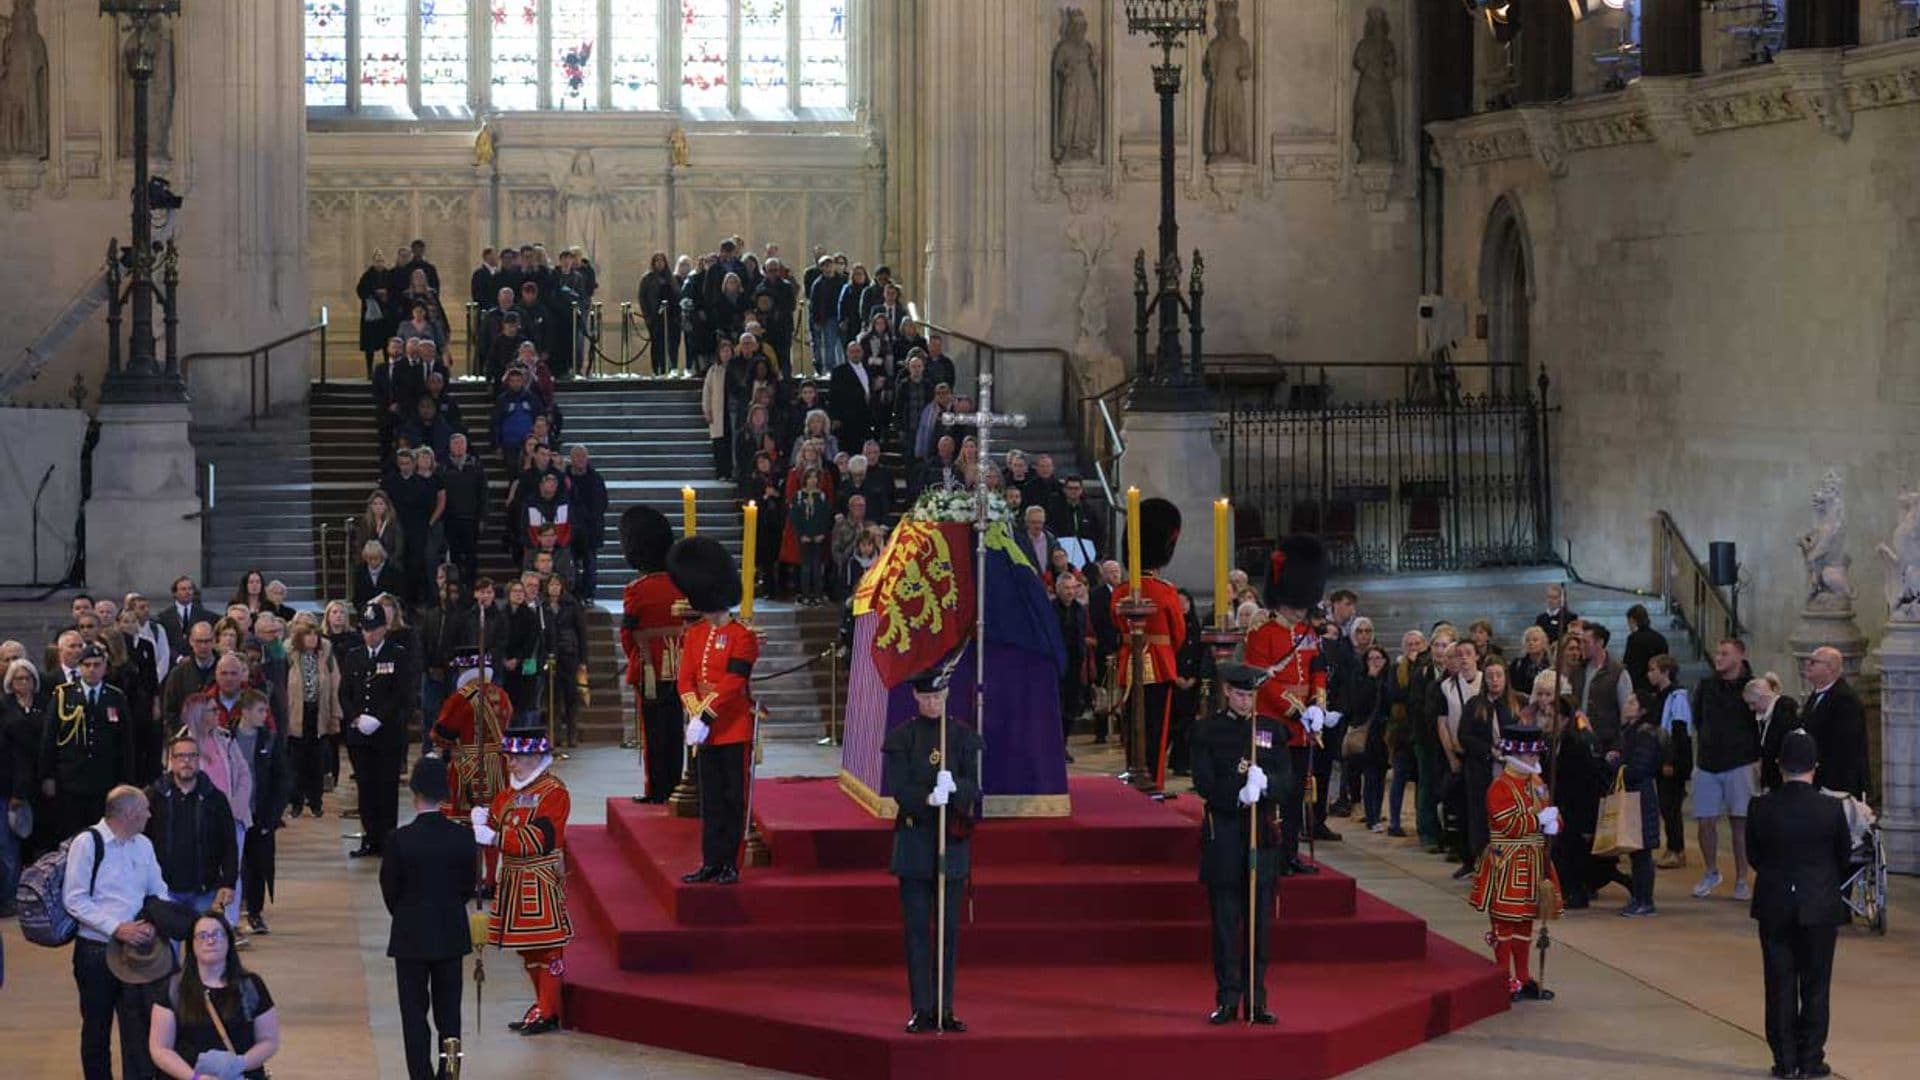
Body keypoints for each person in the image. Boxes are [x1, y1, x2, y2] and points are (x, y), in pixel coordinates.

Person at [882, 665, 982, 1034]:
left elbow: (974, 786)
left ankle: (945, 1007)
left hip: (950, 845)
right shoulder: (902, 738)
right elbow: (899, 789)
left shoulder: (961, 737)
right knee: (917, 932)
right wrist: (928, 796)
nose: (932, 703)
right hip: (914, 844)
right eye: (926, 697)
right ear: (915, 698)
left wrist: (955, 790)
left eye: (938, 697)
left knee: (947, 933)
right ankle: (921, 1008)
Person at [1747, 729, 1850, 1080]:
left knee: (1779, 985)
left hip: (1775, 902)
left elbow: (1754, 856)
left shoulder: (1761, 807)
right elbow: (1843, 856)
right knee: (1816, 986)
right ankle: (1810, 1060)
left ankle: (1784, 1060)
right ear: (1815, 767)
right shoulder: (1831, 809)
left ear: (1779, 765)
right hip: (1819, 903)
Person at [1191, 662, 1291, 1025]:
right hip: (1226, 837)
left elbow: (1286, 778)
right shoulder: (1207, 731)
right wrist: (1239, 793)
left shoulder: (1269, 731)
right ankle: (1228, 998)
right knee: (1225, 925)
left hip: (1260, 836)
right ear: (1228, 693)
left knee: (1259, 926)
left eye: (1251, 695)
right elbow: (1203, 782)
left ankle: (1256, 999)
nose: (1246, 701)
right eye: (1239, 694)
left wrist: (1266, 785)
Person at [471, 715, 573, 1036]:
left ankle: (549, 1007)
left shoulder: (553, 792)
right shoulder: (506, 794)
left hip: (539, 879)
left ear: (534, 757)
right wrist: (480, 820)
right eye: (509, 757)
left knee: (549, 947)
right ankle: (542, 1004)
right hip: (513, 880)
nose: (510, 763)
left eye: (516, 758)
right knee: (527, 949)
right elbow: (494, 821)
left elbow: (542, 839)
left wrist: (496, 837)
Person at [672, 536, 760, 885]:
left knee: (731, 798)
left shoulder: (742, 636)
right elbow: (685, 679)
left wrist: (705, 715)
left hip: (732, 727)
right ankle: (710, 860)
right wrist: (694, 713)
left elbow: (734, 682)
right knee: (710, 800)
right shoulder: (695, 634)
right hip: (703, 729)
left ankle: (730, 863)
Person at [65, 784, 169, 1080]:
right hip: (95, 952)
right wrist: (116, 928)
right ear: (127, 814)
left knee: (137, 1030)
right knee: (96, 1031)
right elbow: (74, 899)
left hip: (137, 952)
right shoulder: (87, 843)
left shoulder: (143, 845)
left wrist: (154, 921)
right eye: (144, 810)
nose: (150, 815)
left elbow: (158, 889)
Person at [381, 757, 476, 1079]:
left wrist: (408, 914)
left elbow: (390, 890)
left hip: (410, 938)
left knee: (413, 1015)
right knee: (450, 1017)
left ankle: (420, 1075)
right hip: (450, 935)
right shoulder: (463, 837)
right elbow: (468, 886)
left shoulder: (398, 839)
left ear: (415, 793)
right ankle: (449, 1075)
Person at [1246, 536, 1333, 874]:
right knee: (1275, 792)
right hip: (1273, 725)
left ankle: (1291, 853)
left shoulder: (1307, 632)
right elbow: (1262, 680)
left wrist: (1318, 707)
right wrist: (1297, 709)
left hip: (1303, 729)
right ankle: (1272, 852)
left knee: (1297, 793)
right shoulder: (1262, 632)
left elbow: (1318, 671)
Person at [1468, 724, 1563, 1002]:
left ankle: (1522, 976)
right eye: (1531, 756)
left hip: (1533, 860)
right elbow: (1507, 823)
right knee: (1505, 922)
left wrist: (1555, 823)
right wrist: (1539, 820)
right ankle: (1502, 976)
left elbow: (1550, 813)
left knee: (1524, 922)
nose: (1536, 761)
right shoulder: (1500, 787)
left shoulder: (1537, 784)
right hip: (1508, 861)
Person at [1109, 498, 1188, 794]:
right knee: (1158, 726)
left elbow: (1117, 626)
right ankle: (1152, 780)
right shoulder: (1166, 592)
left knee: (1131, 725)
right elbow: (1177, 634)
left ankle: (1133, 773)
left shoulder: (1119, 591)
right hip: (1160, 663)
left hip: (1129, 661)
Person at [147, 912, 281, 1080]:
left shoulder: (251, 985)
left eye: (217, 934)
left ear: (228, 941)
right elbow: (160, 1048)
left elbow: (269, 1041)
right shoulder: (172, 988)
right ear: (192, 945)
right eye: (202, 936)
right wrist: (194, 1077)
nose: (210, 941)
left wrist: (239, 1064)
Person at [341, 601, 416, 858]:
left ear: (385, 628)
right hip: (359, 734)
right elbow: (345, 694)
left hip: (387, 734)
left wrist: (379, 719)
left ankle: (388, 840)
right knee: (366, 788)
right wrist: (355, 718)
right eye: (365, 629)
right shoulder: (353, 656)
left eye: (374, 629)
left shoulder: (398, 655)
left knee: (386, 787)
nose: (369, 635)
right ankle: (370, 839)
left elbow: (401, 694)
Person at [40, 644, 136, 839]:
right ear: (80, 667)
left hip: (104, 780)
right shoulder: (63, 695)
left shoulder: (115, 697)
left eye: (97, 665)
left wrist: (126, 780)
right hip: (71, 780)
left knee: (103, 836)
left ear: (105, 667)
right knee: (72, 836)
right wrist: (47, 775)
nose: (92, 669)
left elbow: (125, 743)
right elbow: (49, 737)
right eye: (87, 665)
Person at [144, 732, 238, 917]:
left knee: (202, 944)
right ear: (171, 760)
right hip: (164, 892)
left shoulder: (215, 799)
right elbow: (141, 842)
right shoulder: (154, 797)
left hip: (205, 891)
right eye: (180, 756)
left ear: (199, 759)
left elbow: (229, 845)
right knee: (168, 946)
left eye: (192, 756)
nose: (186, 761)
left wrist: (228, 882)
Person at [1694, 637, 1758, 901]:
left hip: (1740, 762)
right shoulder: (1707, 686)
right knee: (1705, 821)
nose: (1718, 657)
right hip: (1708, 761)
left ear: (1740, 656)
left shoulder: (1752, 687)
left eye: (1725, 653)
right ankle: (1711, 871)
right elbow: (1698, 717)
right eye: (1717, 653)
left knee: (1740, 823)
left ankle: (1742, 877)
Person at [1615, 693, 1665, 917]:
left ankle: (1645, 899)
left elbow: (1639, 767)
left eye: (1633, 702)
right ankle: (1639, 897)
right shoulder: (1631, 731)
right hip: (1635, 796)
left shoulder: (1644, 734)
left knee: (1642, 852)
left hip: (1640, 797)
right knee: (1636, 851)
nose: (1627, 704)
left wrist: (1617, 763)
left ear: (1643, 710)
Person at [1798, 646, 1868, 799]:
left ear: (1830, 668)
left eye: (1814, 662)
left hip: (1836, 780)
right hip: (1817, 775)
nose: (1808, 665)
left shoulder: (1845, 699)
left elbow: (1845, 746)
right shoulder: (1817, 694)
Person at [1648, 653, 1693, 868]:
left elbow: (1679, 732)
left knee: (1671, 807)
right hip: (1661, 758)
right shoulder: (1660, 695)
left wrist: (1671, 761)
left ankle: (1677, 849)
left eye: (1653, 670)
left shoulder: (1677, 697)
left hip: (1672, 760)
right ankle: (1671, 848)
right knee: (1665, 807)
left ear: (1665, 672)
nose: (1649, 674)